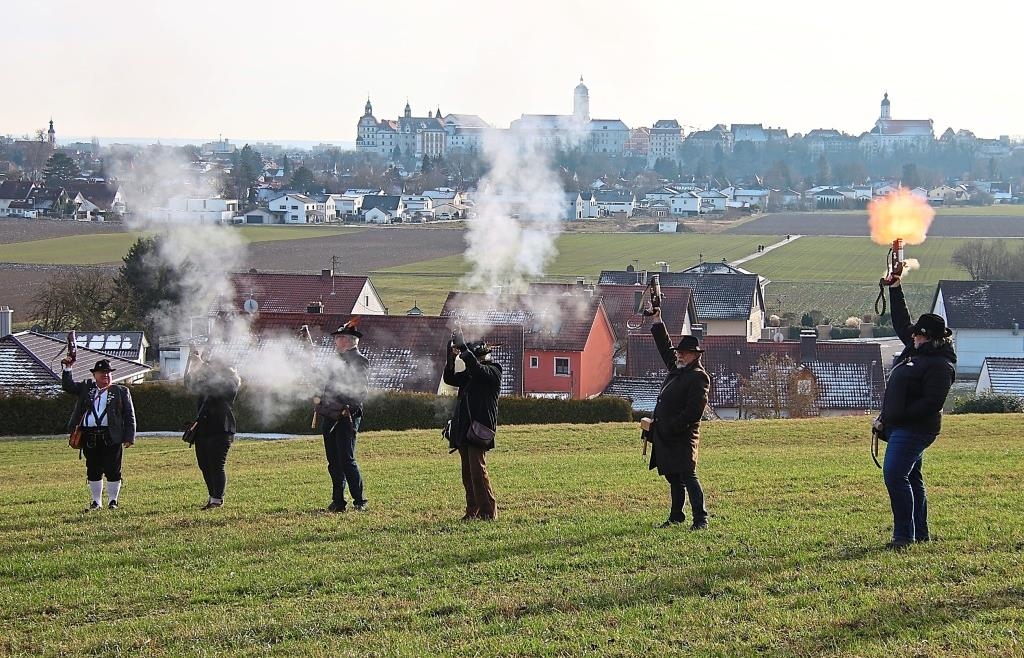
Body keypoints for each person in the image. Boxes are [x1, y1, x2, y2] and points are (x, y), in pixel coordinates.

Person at [877, 276, 956, 549]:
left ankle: (903, 537)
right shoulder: (919, 347)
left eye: (918, 334)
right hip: (902, 426)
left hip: (915, 429)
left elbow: (931, 403)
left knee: (894, 475)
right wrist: (895, 288)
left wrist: (895, 416)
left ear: (930, 338)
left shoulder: (940, 366)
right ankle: (920, 534)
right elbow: (902, 322)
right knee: (911, 477)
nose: (912, 336)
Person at [646, 309, 710, 530]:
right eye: (679, 352)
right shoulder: (678, 368)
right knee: (674, 477)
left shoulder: (699, 377)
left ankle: (701, 519)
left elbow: (694, 412)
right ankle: (676, 516)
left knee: (688, 476)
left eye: (684, 353)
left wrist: (673, 427)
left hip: (682, 436)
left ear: (695, 355)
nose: (679, 355)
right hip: (667, 435)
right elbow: (665, 348)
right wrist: (657, 321)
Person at [61, 358, 136, 511]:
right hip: (89, 436)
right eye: (102, 372)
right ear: (94, 375)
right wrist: (68, 367)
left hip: (111, 435)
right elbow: (68, 386)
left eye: (108, 372)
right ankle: (96, 502)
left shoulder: (121, 391)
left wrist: (129, 437)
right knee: (93, 469)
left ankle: (113, 501)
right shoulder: (86, 388)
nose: (106, 375)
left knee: (113, 469)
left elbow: (129, 415)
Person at [442, 329, 501, 521]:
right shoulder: (470, 374)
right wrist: (450, 357)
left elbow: (477, 369)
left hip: (478, 428)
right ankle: (472, 511)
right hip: (465, 428)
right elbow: (450, 378)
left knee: (478, 472)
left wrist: (463, 349)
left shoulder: (494, 370)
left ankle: (488, 512)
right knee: (468, 475)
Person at [317, 321, 370, 513]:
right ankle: (338, 501)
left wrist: (343, 406)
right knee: (333, 461)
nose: (335, 341)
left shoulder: (360, 361)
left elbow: (359, 392)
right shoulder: (335, 361)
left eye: (338, 338)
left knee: (346, 459)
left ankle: (359, 500)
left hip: (347, 415)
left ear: (348, 340)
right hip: (330, 414)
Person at [183, 348, 241, 510]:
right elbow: (188, 384)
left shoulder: (231, 381)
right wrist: (191, 363)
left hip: (221, 427)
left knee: (216, 465)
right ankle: (212, 497)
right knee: (204, 465)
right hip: (203, 428)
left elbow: (220, 387)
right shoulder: (208, 380)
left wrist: (202, 364)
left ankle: (217, 499)